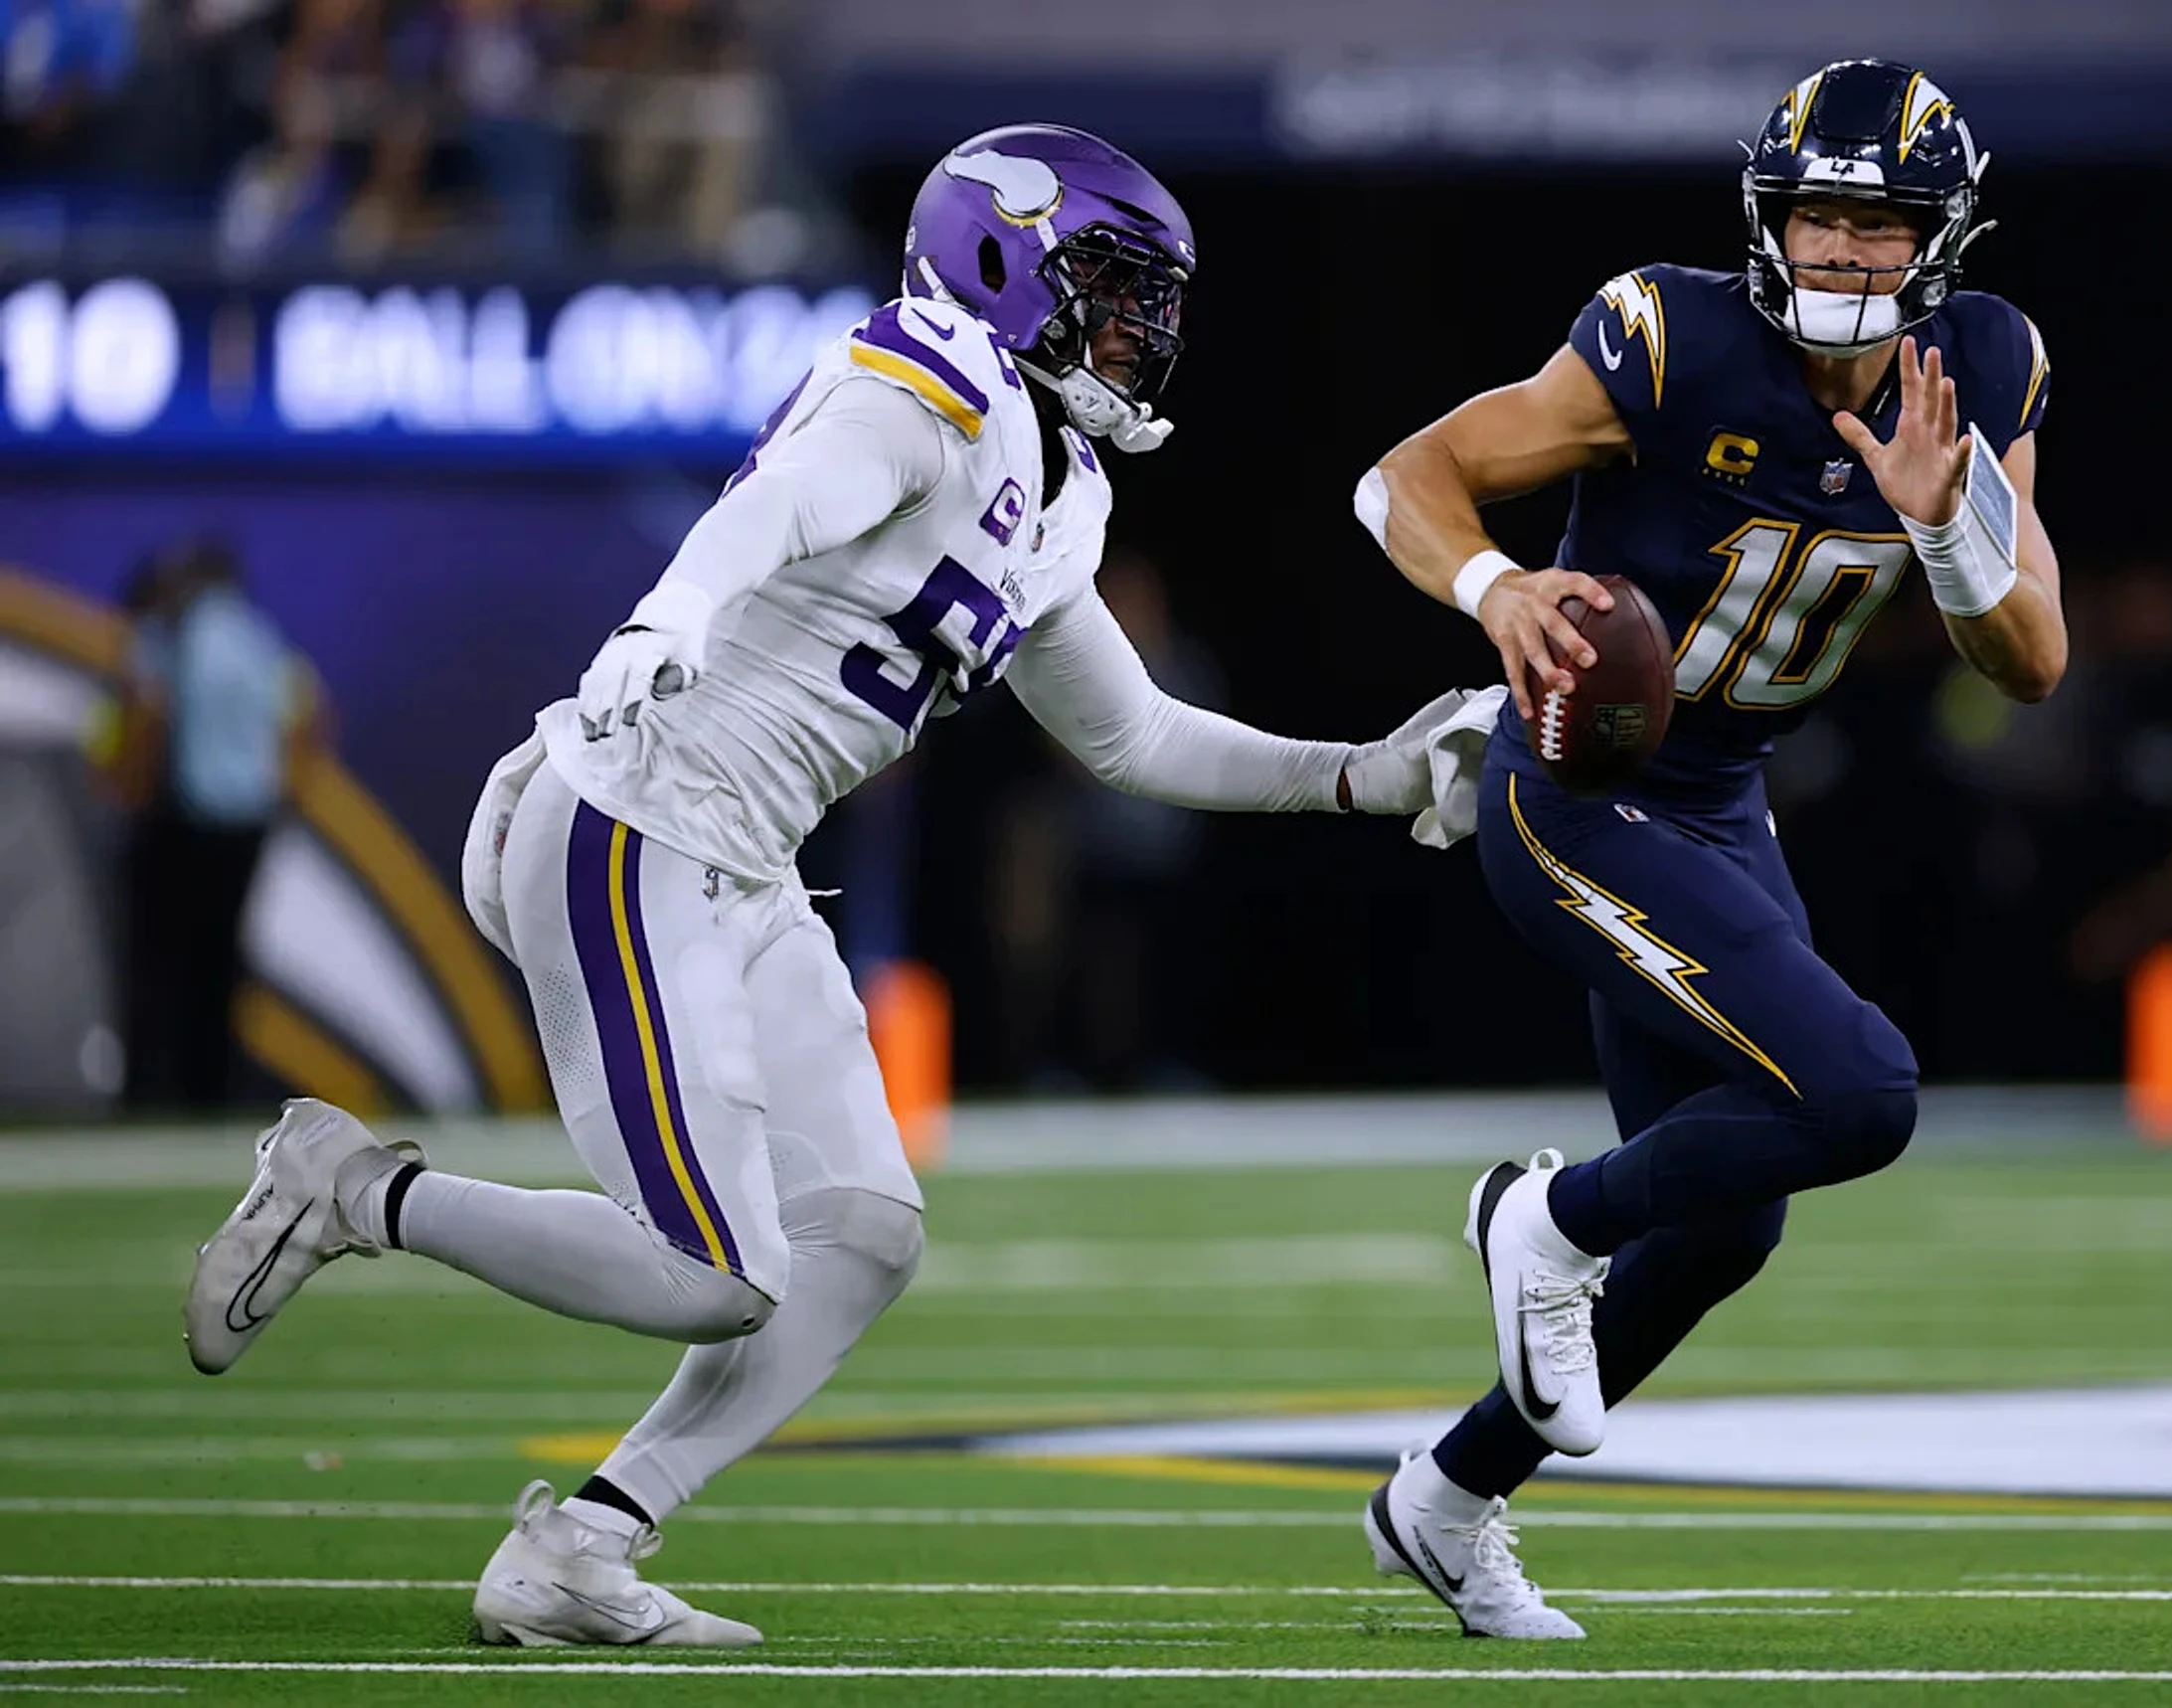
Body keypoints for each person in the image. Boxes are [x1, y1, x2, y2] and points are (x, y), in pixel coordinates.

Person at [182, 123, 1469, 1647]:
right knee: (714, 1270)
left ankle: (584, 1545)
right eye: (1113, 283)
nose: (1142, 327)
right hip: (632, 819)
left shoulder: (1058, 487)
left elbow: (1131, 734)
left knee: (859, 1230)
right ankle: (355, 1189)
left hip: (738, 863)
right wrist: (666, 616)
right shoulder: (928, 385)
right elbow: (783, 501)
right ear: (997, 259)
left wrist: (1364, 773)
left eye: (1154, 298)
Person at [1349, 59, 2069, 1637]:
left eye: (1879, 226)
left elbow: (2030, 659)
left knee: (1728, 1220)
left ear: (1942, 240)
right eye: (1816, 216)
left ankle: (1447, 1499)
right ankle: (1541, 1217)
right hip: (1575, 794)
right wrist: (1493, 588)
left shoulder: (1976, 365)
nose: (1842, 252)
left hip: (1723, 806)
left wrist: (1945, 526)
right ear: (1766, 218)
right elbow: (1404, 476)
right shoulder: (1671, 338)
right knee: (1860, 1091)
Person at [103, 540, 326, 1112]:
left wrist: (129, 795)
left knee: (155, 961)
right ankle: (212, 1092)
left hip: (177, 822)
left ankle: (150, 1092)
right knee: (221, 959)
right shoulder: (259, 638)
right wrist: (287, 798)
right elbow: (307, 712)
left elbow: (148, 714)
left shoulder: (168, 635)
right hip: (246, 825)